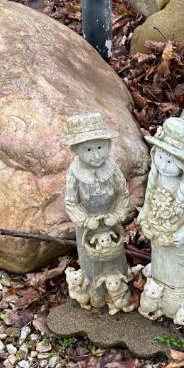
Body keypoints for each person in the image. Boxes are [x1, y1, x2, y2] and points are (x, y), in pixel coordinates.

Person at [137, 117, 184, 325]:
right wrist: (144, 215)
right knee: (160, 262)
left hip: (179, 243)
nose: (164, 166)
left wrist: (182, 233)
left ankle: (182, 302)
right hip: (159, 236)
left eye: (171, 162)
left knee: (177, 270)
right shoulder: (156, 177)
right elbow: (149, 200)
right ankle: (156, 293)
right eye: (160, 157)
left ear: (183, 165)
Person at [62, 113, 131, 310]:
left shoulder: (112, 167)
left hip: (110, 220)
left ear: (108, 145)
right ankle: (96, 292)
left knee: (116, 256)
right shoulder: (74, 173)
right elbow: (71, 201)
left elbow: (122, 193)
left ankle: (121, 289)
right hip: (87, 225)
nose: (96, 155)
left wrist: (117, 214)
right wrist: (84, 220)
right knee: (90, 258)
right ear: (76, 150)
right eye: (88, 149)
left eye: (100, 147)